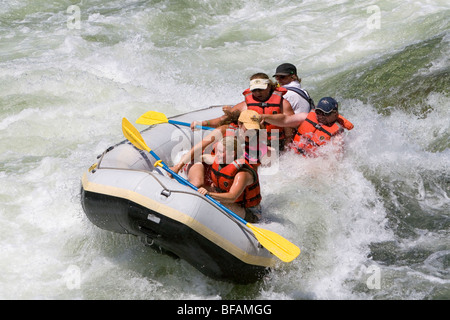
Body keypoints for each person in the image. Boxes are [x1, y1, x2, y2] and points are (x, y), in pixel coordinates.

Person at [190, 73, 295, 150]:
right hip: (253, 144)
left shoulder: (283, 104)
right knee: (225, 128)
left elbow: (289, 131)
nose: (258, 93)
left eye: (261, 89)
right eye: (254, 90)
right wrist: (203, 123)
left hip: (276, 144)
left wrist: (286, 150)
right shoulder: (245, 105)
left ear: (269, 87)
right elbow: (224, 119)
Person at [192, 135, 263, 223]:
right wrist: (183, 163)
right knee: (200, 187)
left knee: (219, 201)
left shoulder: (242, 174)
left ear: (232, 154)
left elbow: (232, 197)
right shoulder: (221, 158)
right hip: (234, 203)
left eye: (221, 152)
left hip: (250, 212)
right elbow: (204, 157)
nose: (217, 154)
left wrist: (209, 194)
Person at [260, 97, 354, 157]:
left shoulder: (337, 135)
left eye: (325, 113)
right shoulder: (305, 117)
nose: (320, 116)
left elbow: (333, 160)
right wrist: (264, 117)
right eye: (318, 112)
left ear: (335, 114)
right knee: (261, 152)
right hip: (289, 156)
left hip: (309, 164)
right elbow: (285, 120)